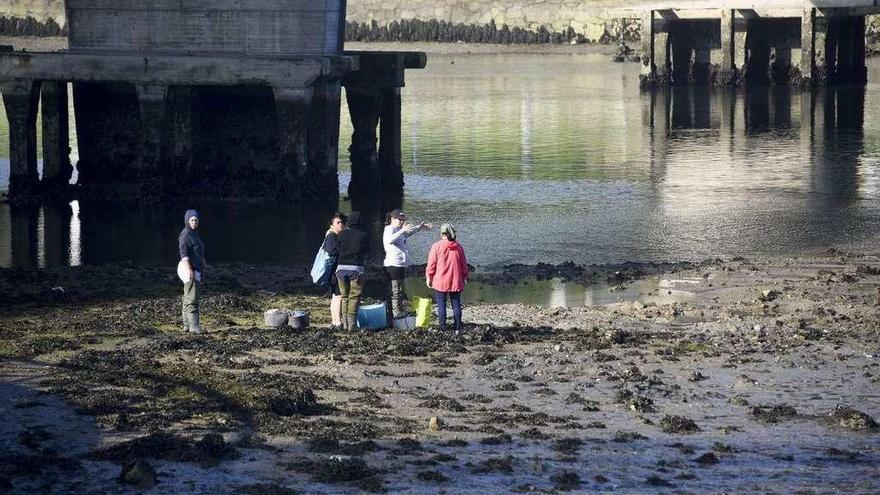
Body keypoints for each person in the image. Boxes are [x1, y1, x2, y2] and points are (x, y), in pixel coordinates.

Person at [383, 209, 431, 319]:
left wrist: (419, 227)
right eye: (400, 220)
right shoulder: (389, 229)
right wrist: (402, 229)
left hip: (400, 265)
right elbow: (389, 240)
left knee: (401, 290)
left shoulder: (399, 230)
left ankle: (400, 311)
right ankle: (396, 314)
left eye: (403, 220)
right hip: (393, 265)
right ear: (392, 219)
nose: (402, 222)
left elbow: (407, 233)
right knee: (396, 291)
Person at [426, 223, 468, 333]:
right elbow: (464, 265)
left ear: (441, 234)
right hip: (455, 280)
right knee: (456, 304)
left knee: (441, 305)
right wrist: (464, 276)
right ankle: (457, 327)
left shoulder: (436, 246)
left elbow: (431, 264)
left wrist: (429, 277)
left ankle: (443, 328)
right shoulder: (458, 247)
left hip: (440, 281)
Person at [335, 211, 370, 331]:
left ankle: (344, 324)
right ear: (360, 222)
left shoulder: (341, 234)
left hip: (340, 269)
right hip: (356, 268)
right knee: (354, 297)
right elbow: (367, 251)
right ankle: (352, 325)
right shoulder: (363, 235)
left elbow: (338, 249)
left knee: (344, 296)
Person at [178, 209, 206, 334]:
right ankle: (194, 326)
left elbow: (197, 250)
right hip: (189, 269)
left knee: (187, 297)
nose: (194, 222)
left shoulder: (194, 233)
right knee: (192, 298)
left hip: (196, 267)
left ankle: (187, 325)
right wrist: (189, 269)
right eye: (192, 220)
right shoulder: (185, 234)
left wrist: (203, 261)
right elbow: (184, 253)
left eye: (196, 220)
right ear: (187, 221)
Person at [323, 212, 347, 331]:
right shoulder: (331, 236)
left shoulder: (335, 236)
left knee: (335, 296)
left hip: (335, 271)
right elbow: (331, 251)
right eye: (338, 222)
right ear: (332, 225)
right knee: (339, 296)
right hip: (334, 272)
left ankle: (335, 321)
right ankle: (337, 322)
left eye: (342, 222)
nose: (341, 224)